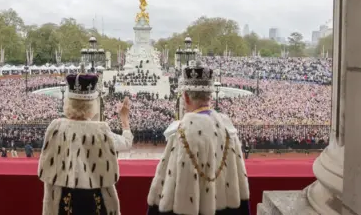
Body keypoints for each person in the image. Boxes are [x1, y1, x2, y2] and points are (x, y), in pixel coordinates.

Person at [147, 60, 250, 215]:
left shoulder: (181, 133)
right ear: (210, 96)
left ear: (186, 98)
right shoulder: (228, 129)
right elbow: (240, 184)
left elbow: (169, 185)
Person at [38, 71, 133, 215]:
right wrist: (124, 120)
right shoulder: (101, 131)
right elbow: (126, 143)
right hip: (95, 200)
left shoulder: (55, 127)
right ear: (92, 104)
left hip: (62, 200)